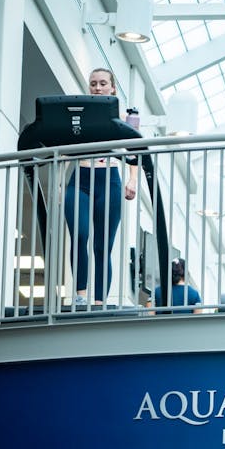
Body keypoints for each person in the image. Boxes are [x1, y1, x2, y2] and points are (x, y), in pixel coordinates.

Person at [64, 68, 139, 306]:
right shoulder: (79, 116)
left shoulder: (119, 119)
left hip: (109, 180)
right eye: (93, 83)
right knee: (80, 234)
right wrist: (57, 185)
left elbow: (134, 150)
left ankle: (98, 302)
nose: (97, 87)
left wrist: (132, 179)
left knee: (102, 246)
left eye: (103, 83)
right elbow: (63, 150)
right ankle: (80, 294)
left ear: (112, 88)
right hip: (80, 179)